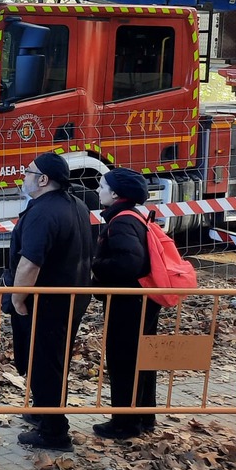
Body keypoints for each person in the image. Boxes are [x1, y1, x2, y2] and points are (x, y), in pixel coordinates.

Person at [4, 152, 94, 450]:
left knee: (45, 364)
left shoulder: (43, 213)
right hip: (70, 298)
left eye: (28, 172)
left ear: (43, 179)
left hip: (46, 303)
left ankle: (54, 431)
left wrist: (18, 299)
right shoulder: (75, 204)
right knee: (52, 361)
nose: (23, 177)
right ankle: (44, 411)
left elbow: (30, 263)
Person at [91, 167, 160, 440]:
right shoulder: (134, 217)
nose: (98, 191)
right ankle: (144, 417)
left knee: (123, 361)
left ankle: (124, 424)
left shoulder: (121, 221)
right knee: (142, 359)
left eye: (102, 186)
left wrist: (97, 265)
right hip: (142, 300)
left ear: (116, 193)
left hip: (128, 303)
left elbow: (129, 262)